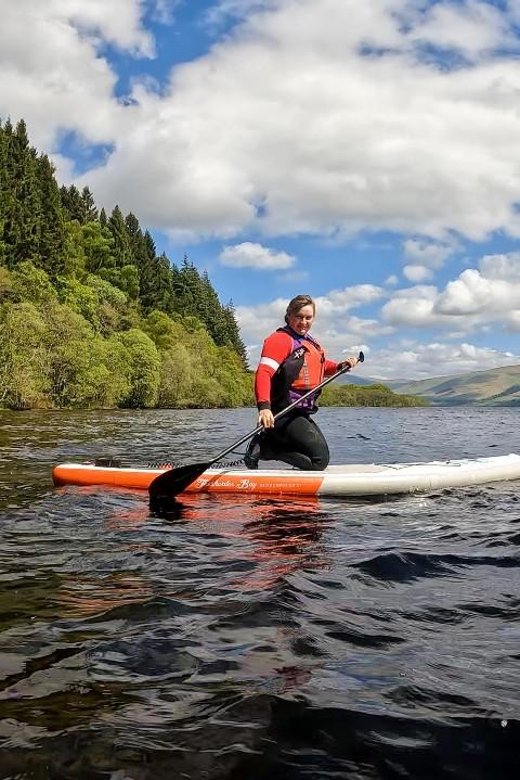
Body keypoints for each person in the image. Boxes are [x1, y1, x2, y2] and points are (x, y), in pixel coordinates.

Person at [244, 294, 360, 471]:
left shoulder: (308, 342)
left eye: (308, 317)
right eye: (299, 317)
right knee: (319, 461)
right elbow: (264, 373)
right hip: (282, 412)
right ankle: (266, 449)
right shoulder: (280, 340)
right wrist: (264, 407)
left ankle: (270, 441)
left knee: (316, 454)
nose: (303, 322)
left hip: (299, 412)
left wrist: (339, 366)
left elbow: (319, 366)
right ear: (289, 315)